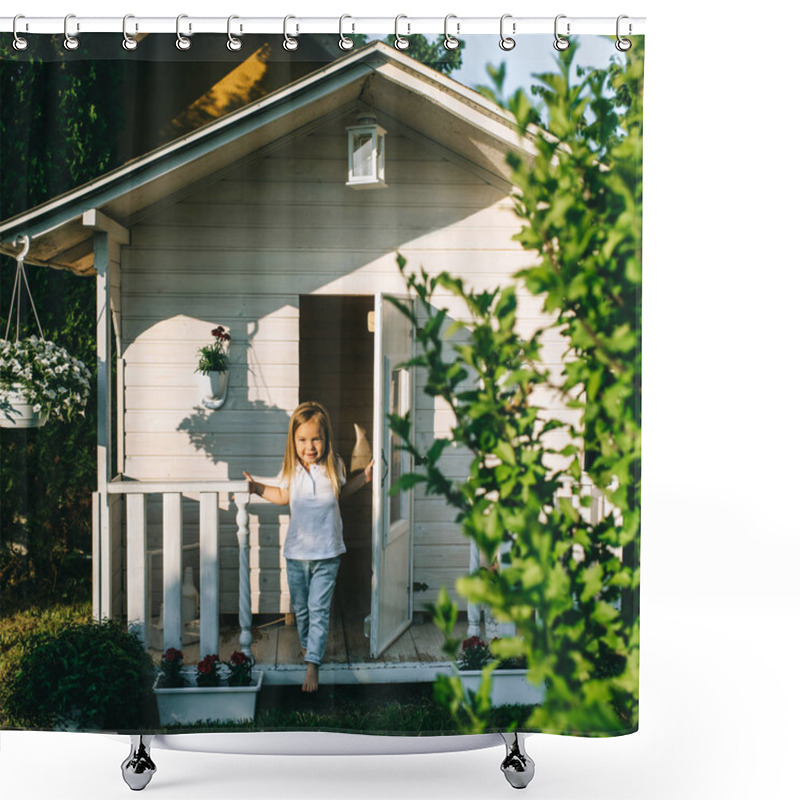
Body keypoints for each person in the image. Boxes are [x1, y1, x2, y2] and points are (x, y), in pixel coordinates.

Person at [243, 401, 373, 692]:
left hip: (327, 554)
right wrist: (257, 488)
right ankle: (307, 646)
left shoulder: (333, 465)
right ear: (294, 441)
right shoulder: (292, 468)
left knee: (318, 608)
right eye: (302, 440)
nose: (310, 446)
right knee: (301, 608)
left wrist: (364, 479)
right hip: (297, 555)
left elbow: (342, 492)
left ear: (326, 439)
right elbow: (282, 496)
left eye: (316, 438)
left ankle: (313, 664)